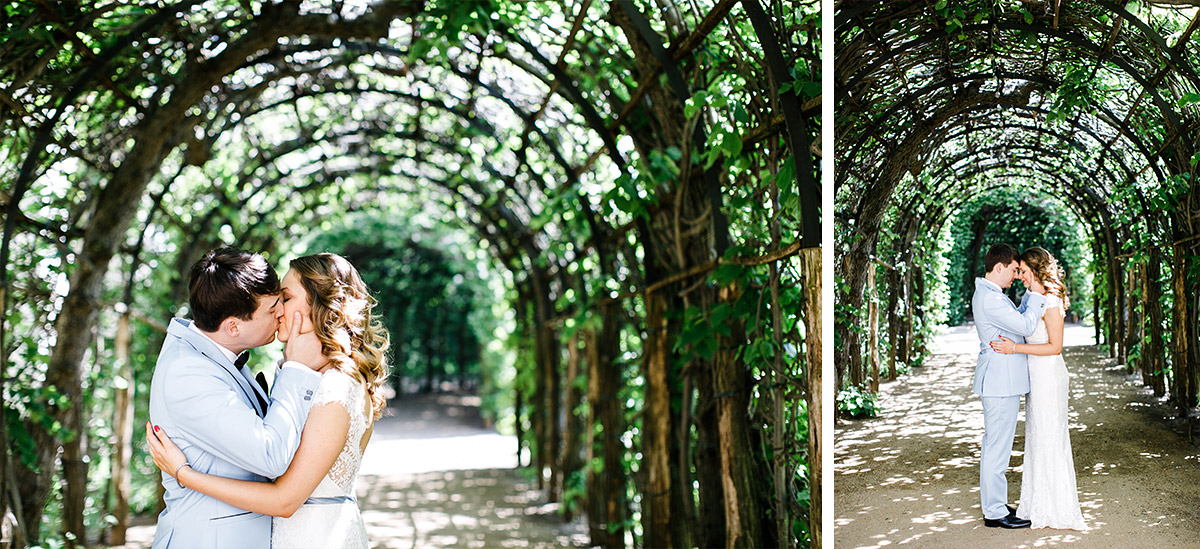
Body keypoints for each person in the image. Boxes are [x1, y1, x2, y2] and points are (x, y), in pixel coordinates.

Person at [148, 252, 390, 548]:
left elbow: (283, 496)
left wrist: (183, 473)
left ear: (321, 306)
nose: (278, 311)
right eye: (278, 301)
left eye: (284, 298)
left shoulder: (336, 388)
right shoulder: (192, 370)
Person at [990, 247, 1087, 530]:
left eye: (1021, 270)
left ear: (1034, 270)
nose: (1018, 275)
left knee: (1049, 439)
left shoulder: (1051, 301)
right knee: (1036, 438)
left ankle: (1056, 508)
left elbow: (1055, 348)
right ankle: (1035, 503)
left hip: (1049, 377)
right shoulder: (1031, 298)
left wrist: (1014, 348)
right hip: (1035, 378)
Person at [971, 243, 1046, 529]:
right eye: (1014, 270)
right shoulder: (990, 298)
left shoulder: (992, 294)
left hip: (1002, 380)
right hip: (1000, 381)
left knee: (996, 445)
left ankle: (997, 504)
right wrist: (1038, 296)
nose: (1016, 275)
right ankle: (994, 512)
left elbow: (1016, 322)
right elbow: (1025, 327)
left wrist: (1030, 294)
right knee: (997, 448)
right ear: (999, 267)